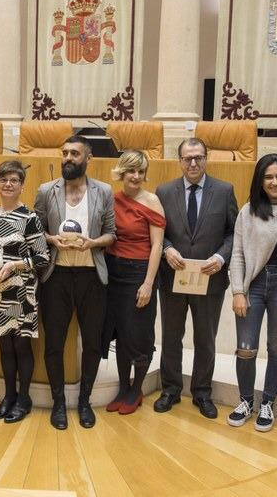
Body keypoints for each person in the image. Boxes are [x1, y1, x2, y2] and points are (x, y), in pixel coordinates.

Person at [34, 135, 116, 430]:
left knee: (92, 343)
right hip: (55, 277)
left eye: (74, 153)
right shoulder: (46, 191)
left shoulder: (104, 191)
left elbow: (112, 234)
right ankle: (58, 402)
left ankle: (84, 401)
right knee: (54, 343)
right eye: (65, 152)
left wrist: (93, 243)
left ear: (88, 158)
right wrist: (51, 239)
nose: (68, 158)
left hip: (91, 276)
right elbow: (35, 230)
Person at [154, 138, 237, 419]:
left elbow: (233, 232)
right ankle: (170, 389)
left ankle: (202, 392)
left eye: (198, 157)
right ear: (179, 161)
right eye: (187, 158)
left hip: (209, 279)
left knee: (205, 338)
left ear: (206, 158)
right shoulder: (164, 192)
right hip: (173, 278)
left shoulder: (224, 191)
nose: (193, 163)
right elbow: (157, 232)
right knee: (171, 336)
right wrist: (167, 249)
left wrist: (221, 258)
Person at [227, 154, 277, 432]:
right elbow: (237, 254)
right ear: (260, 181)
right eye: (268, 177)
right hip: (254, 285)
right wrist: (238, 291)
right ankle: (246, 401)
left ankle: (268, 402)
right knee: (246, 348)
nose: (274, 181)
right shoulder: (248, 211)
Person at [0, 160, 49, 423]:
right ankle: (9, 396)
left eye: (14, 180)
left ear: (22, 185)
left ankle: (24, 398)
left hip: (22, 293)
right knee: (4, 347)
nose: (8, 184)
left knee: (21, 346)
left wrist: (14, 265)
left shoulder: (30, 218)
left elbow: (43, 257)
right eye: (3, 180)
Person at [103, 150, 165, 415]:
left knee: (138, 334)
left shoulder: (152, 201)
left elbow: (157, 246)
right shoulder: (111, 199)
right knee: (121, 333)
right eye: (131, 171)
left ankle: (136, 389)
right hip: (113, 273)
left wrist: (148, 283)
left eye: (141, 171)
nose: (136, 176)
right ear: (122, 172)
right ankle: (123, 388)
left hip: (139, 274)